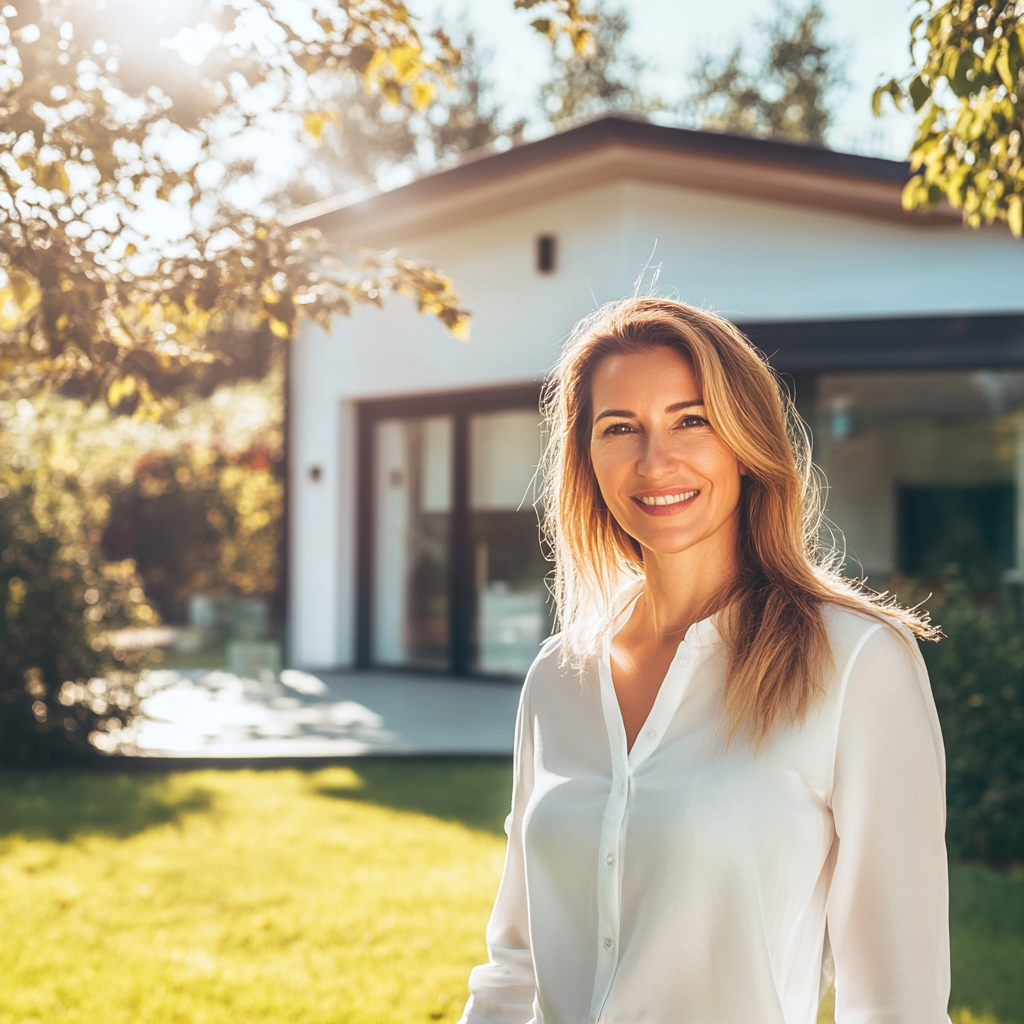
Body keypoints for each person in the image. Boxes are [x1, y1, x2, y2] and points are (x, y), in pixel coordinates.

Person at [458, 298, 950, 1024]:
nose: (656, 461)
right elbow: (516, 966)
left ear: (745, 441)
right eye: (620, 428)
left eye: (691, 420)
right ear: (586, 459)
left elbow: (894, 1002)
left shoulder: (859, 663)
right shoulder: (557, 676)